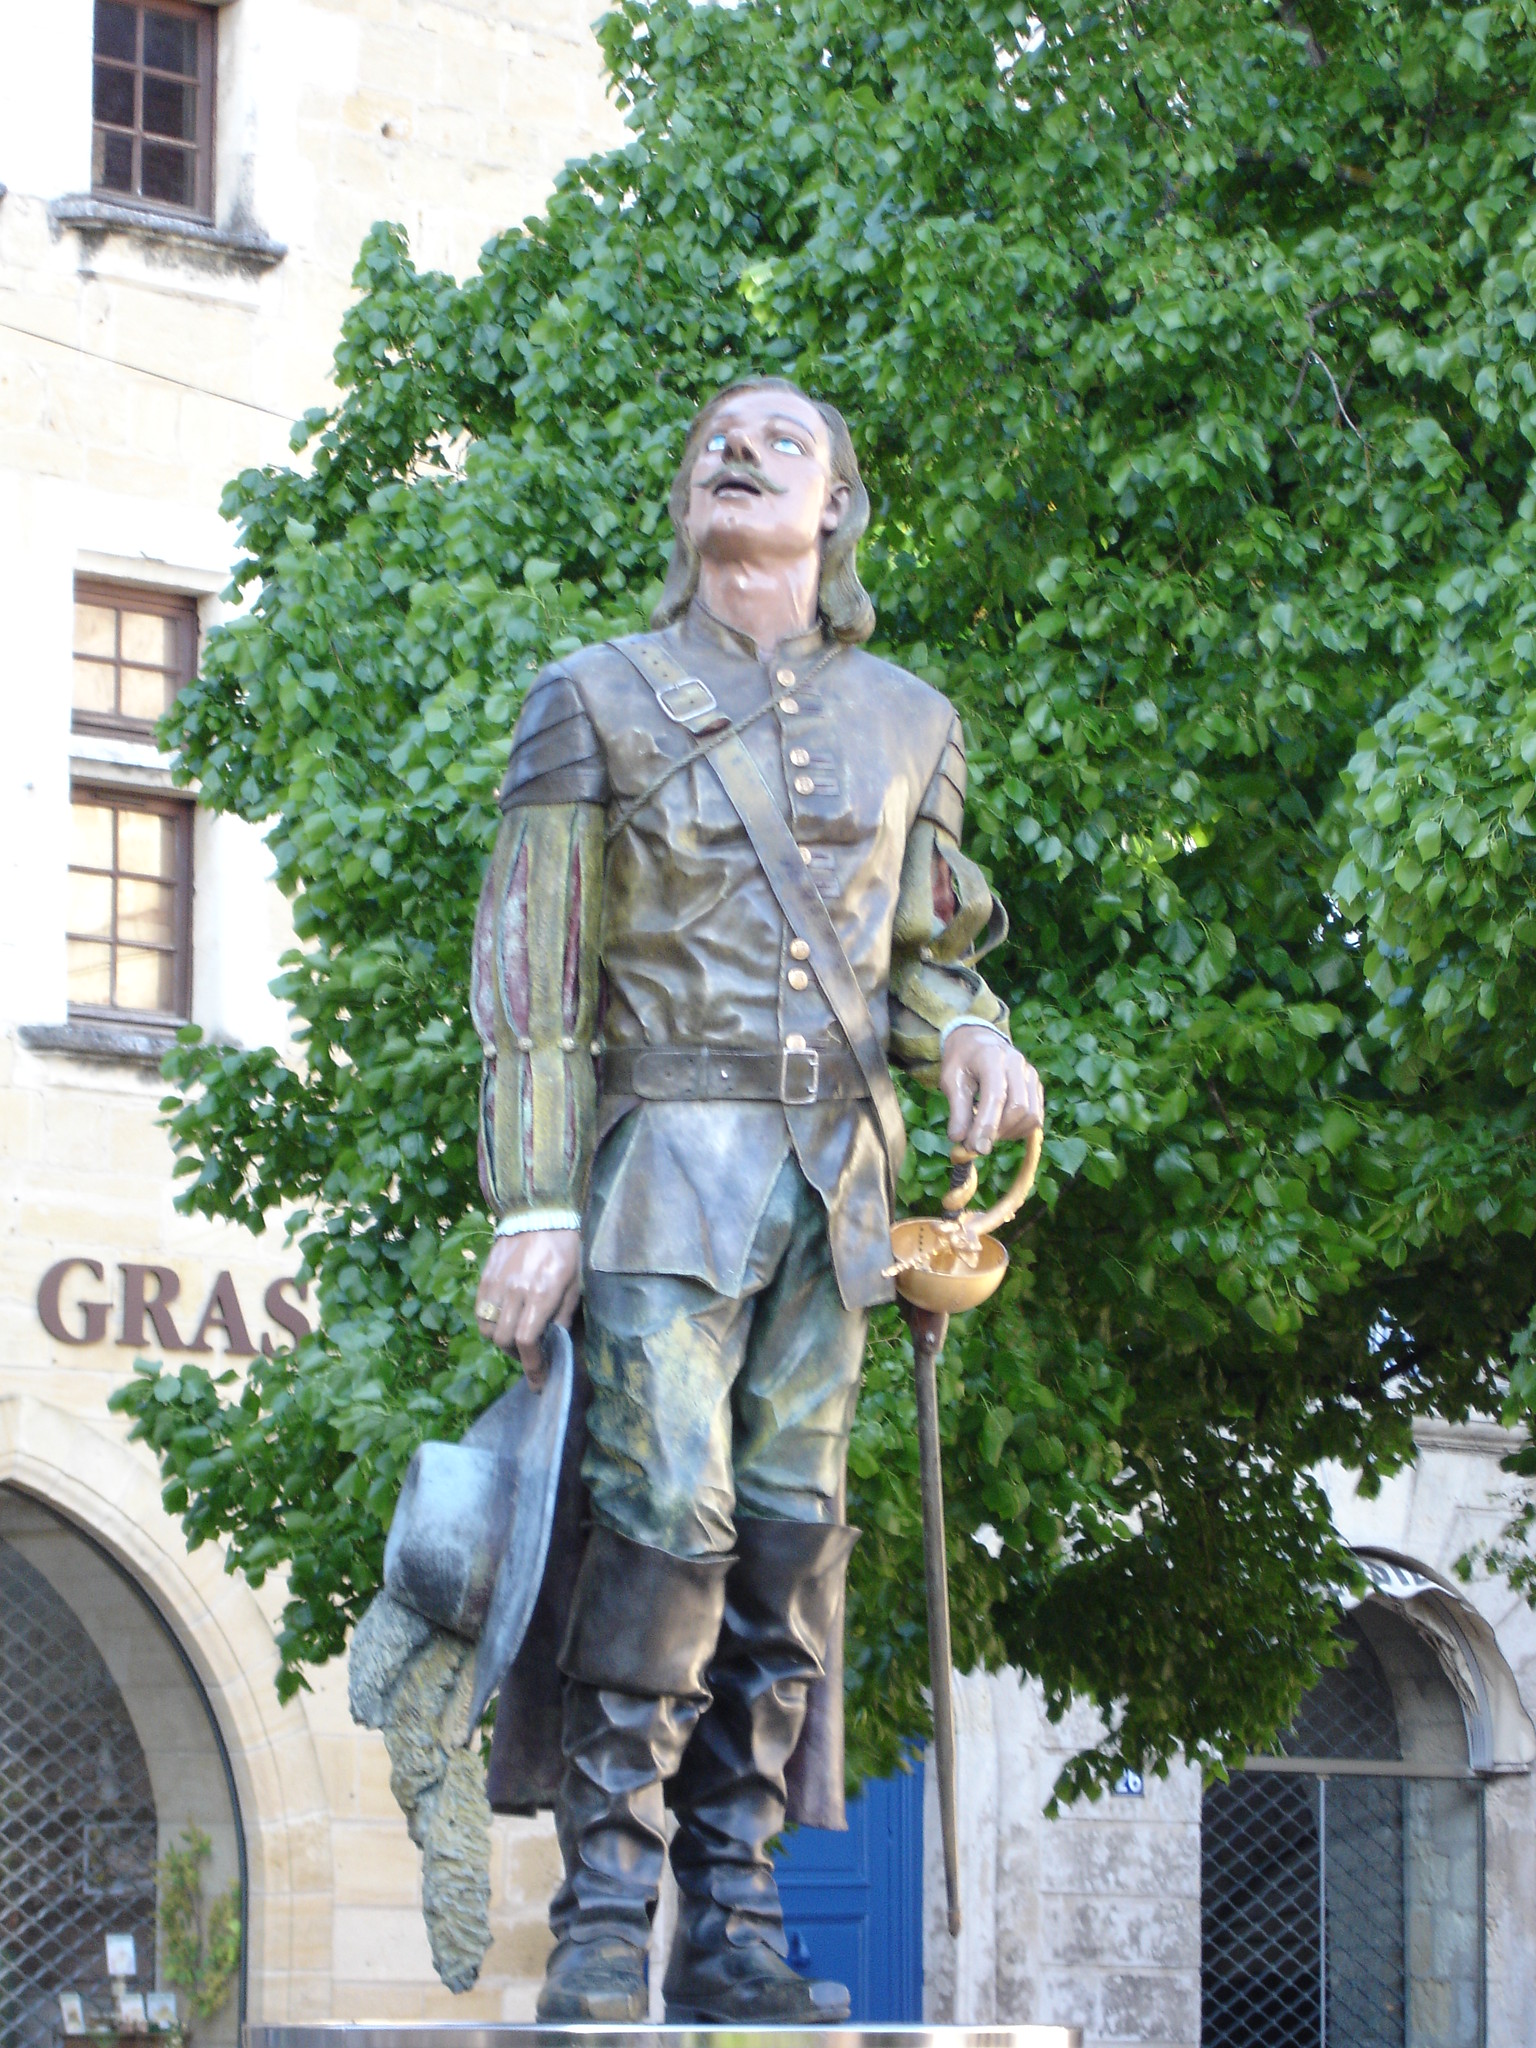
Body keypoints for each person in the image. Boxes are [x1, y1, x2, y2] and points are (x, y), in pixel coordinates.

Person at [470, 375, 1043, 2023]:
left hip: (834, 1195)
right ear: (685, 504)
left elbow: (923, 959)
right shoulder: (592, 696)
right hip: (662, 1170)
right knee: (664, 1519)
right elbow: (534, 973)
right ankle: (602, 1910)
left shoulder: (914, 721)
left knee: (788, 1553)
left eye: (782, 442)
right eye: (716, 440)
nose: (739, 452)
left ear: (838, 509)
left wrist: (977, 1038)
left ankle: (733, 1909)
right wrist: (532, 1198)